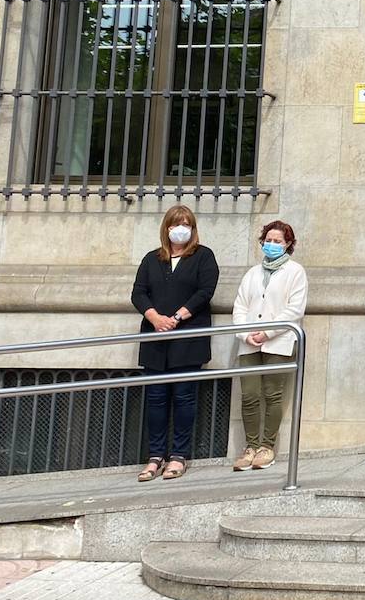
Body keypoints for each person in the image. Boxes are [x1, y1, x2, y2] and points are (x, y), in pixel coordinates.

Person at [131, 206, 219, 483]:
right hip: (156, 339)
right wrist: (155, 317)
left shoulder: (203, 256)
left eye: (186, 224)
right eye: (175, 224)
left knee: (184, 397)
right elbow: (139, 292)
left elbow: (205, 291)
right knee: (156, 399)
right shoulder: (151, 259)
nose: (180, 229)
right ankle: (155, 456)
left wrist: (178, 317)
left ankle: (179, 455)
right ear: (166, 228)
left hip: (187, 337)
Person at [231, 220, 308, 471]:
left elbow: (294, 309)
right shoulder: (252, 273)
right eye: (269, 240)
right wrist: (246, 335)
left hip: (279, 341)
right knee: (250, 395)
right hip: (249, 342)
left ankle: (267, 446)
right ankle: (250, 446)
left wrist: (268, 332)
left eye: (278, 241)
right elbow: (240, 306)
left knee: (273, 394)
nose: (272, 245)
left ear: (288, 245)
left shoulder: (295, 271)